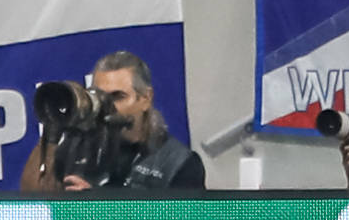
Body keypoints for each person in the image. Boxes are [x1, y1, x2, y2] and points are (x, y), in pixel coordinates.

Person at [19, 46, 209, 190]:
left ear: (145, 98)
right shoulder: (77, 145)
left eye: (118, 97)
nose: (107, 106)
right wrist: (53, 132)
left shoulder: (177, 162)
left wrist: (101, 211)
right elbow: (31, 198)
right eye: (99, 96)